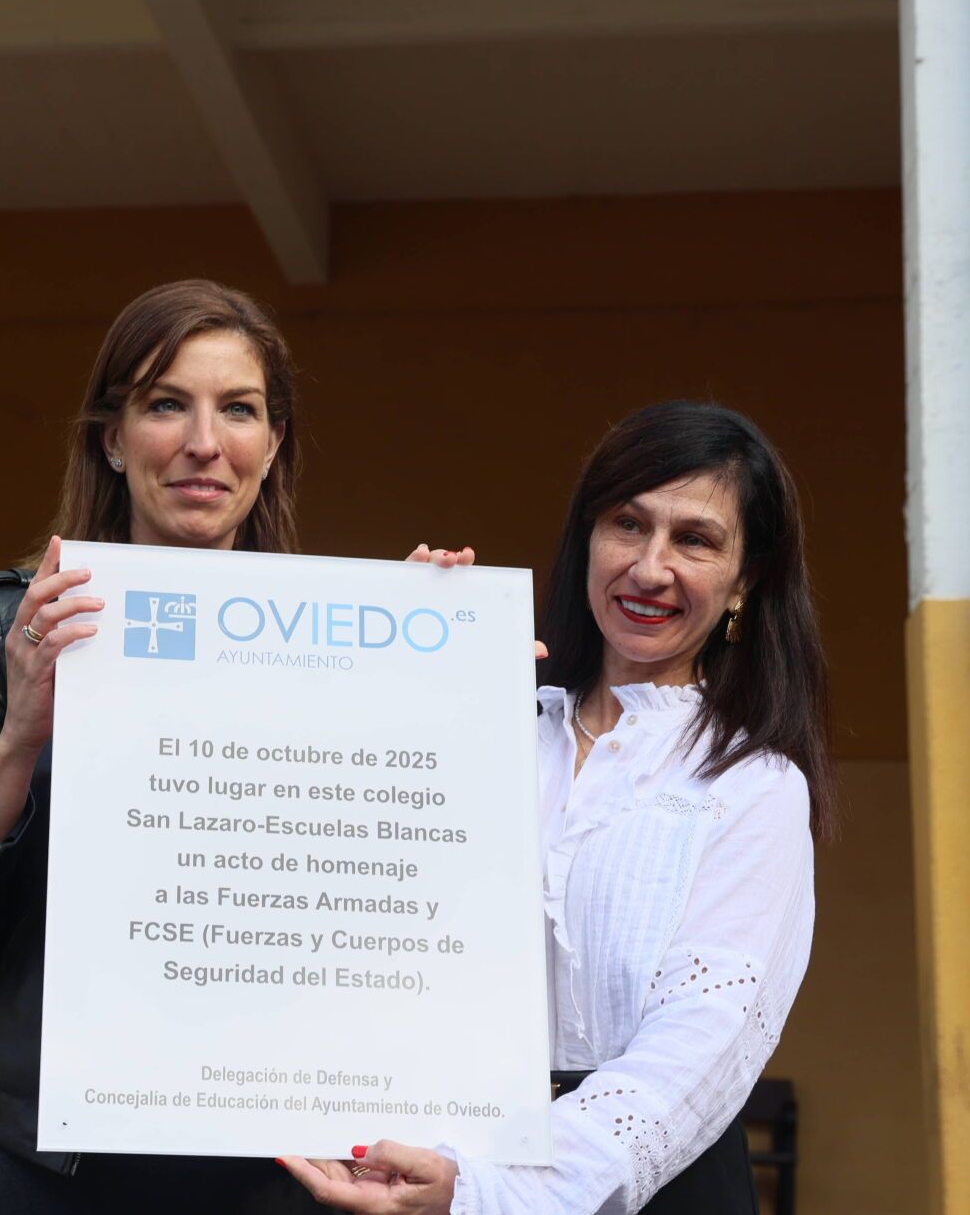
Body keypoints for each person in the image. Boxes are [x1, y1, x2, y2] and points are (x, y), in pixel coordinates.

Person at [0, 281, 471, 1213]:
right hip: (38, 1161)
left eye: (238, 409)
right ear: (112, 438)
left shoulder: (343, 648)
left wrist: (428, 673)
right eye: (167, 403)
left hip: (266, 1160)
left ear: (272, 443)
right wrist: (22, 733)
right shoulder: (9, 623)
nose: (205, 441)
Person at [281, 401, 837, 1214]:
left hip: (646, 1191)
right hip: (436, 1166)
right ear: (588, 538)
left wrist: (487, 1193)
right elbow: (349, 912)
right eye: (627, 524)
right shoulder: (494, 731)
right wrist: (396, 680)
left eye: (695, 539)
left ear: (746, 579)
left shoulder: (753, 784)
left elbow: (695, 1052)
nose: (650, 567)